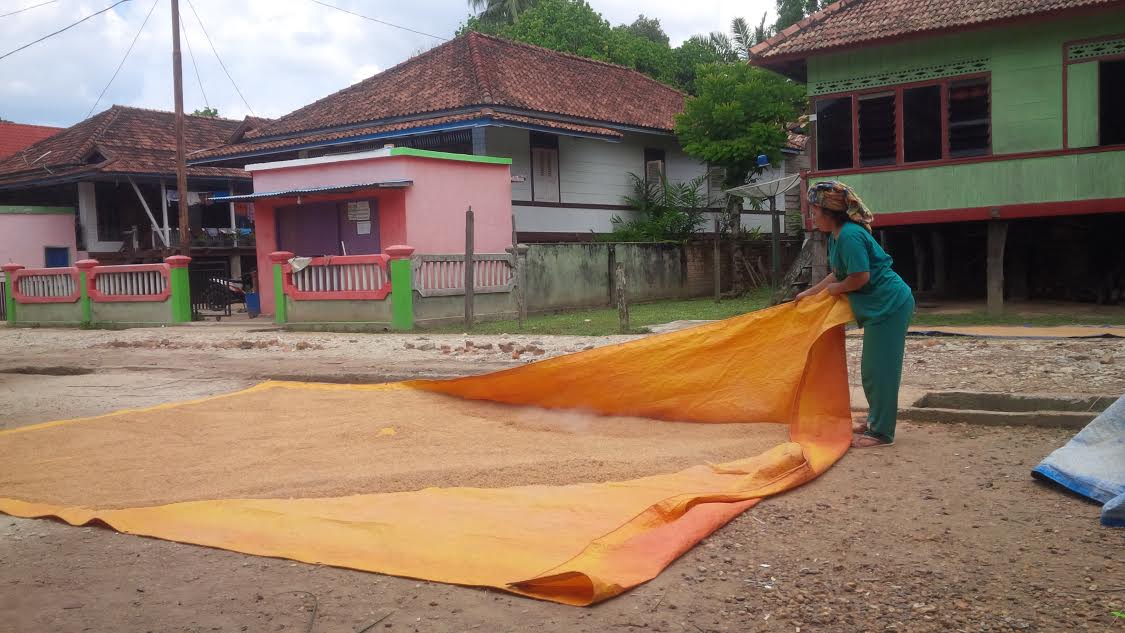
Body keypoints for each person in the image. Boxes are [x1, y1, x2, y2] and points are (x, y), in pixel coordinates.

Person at [795, 181, 914, 448]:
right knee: (871, 369)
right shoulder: (836, 236)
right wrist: (811, 293)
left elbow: (860, 277)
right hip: (879, 307)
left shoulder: (849, 236)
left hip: (890, 305)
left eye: (814, 211)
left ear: (829, 212)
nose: (812, 217)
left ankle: (881, 433)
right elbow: (838, 273)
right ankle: (875, 420)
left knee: (880, 371)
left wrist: (835, 290)